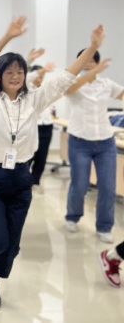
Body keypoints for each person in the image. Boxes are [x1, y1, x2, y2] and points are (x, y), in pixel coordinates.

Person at [0, 18, 103, 310]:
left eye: (19, 71)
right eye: (9, 71)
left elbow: (66, 77)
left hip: (21, 179)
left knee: (12, 245)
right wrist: (8, 36)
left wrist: (92, 48)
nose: (15, 76)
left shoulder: (34, 100)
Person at [64, 51, 124, 243]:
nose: (88, 64)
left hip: (106, 142)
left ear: (97, 63)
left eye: (92, 61)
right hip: (79, 142)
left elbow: (122, 94)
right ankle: (72, 216)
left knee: (108, 186)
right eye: (85, 60)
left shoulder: (106, 84)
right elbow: (69, 91)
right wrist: (93, 71)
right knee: (80, 184)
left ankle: (104, 226)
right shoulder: (73, 82)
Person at [26, 62, 56, 192]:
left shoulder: (45, 88)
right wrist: (42, 70)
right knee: (29, 155)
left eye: (42, 76)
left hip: (47, 125)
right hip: (33, 126)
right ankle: (24, 181)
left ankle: (35, 181)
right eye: (38, 76)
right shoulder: (27, 88)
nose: (39, 79)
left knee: (42, 155)